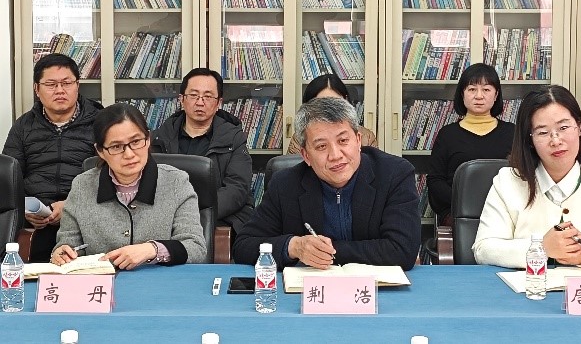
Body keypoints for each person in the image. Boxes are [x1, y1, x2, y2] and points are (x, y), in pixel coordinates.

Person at [473, 85, 581, 270]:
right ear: (530, 139)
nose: (556, 140)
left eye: (564, 127)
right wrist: (542, 247)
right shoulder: (508, 181)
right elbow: (483, 249)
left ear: (579, 127)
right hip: (527, 286)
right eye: (543, 132)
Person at [233, 97, 421, 271]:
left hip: (377, 291)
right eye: (321, 146)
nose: (335, 155)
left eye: (343, 141)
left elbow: (402, 250)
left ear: (358, 141)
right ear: (306, 155)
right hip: (309, 291)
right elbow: (244, 246)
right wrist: (294, 246)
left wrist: (328, 252)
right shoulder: (285, 184)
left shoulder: (394, 174)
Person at [51, 103, 206, 269]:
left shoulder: (176, 182)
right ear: (101, 151)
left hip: (160, 281)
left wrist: (152, 249)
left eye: (136, 141)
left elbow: (195, 248)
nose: (129, 154)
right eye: (116, 147)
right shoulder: (82, 186)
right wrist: (62, 253)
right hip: (103, 283)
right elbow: (69, 244)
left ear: (148, 139)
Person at [2, 53, 103, 262]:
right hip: (36, 222)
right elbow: (9, 181)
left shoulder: (100, 123)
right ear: (36, 89)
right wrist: (25, 210)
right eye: (50, 84)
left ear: (77, 86)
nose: (59, 90)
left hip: (87, 216)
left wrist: (71, 204)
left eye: (66, 83)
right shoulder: (23, 127)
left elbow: (111, 174)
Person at [151, 68, 253, 235]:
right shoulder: (159, 138)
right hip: (168, 217)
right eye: (193, 95)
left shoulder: (234, 138)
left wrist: (194, 213)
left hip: (218, 217)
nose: (200, 102)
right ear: (182, 100)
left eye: (208, 96)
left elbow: (237, 189)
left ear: (219, 103)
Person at [426, 63, 514, 225]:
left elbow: (524, 176)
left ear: (496, 95)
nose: (479, 96)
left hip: (506, 214)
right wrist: (465, 202)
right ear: (462, 94)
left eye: (486, 89)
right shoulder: (447, 134)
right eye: (472, 89)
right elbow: (435, 181)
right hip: (460, 215)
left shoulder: (513, 133)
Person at [287, 73, 378, 154]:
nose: (330, 109)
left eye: (335, 103)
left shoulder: (366, 137)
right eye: (323, 104)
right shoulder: (300, 138)